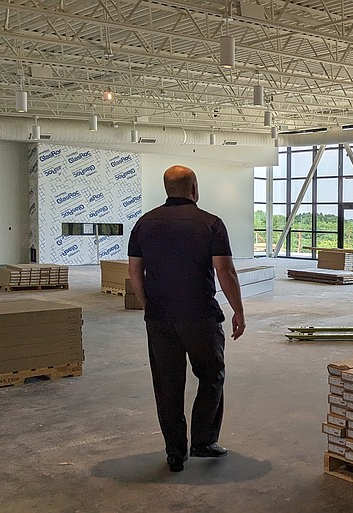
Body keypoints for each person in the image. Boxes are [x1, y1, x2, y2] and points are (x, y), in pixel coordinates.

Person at [127, 165, 245, 473]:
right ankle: (204, 441)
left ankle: (175, 453)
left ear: (168, 189)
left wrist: (147, 305)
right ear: (193, 188)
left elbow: (134, 274)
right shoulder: (211, 224)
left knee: (168, 385)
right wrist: (238, 310)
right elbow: (225, 271)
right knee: (211, 375)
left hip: (160, 319)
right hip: (201, 318)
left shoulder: (144, 224)